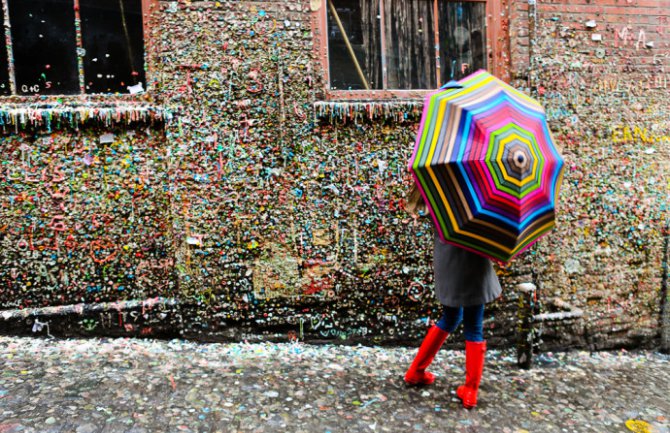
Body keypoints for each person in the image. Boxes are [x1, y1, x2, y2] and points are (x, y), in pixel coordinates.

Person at [403, 183, 502, 409]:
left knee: (450, 317)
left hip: (448, 266)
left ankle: (415, 371)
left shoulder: (436, 193)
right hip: (473, 268)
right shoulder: (474, 197)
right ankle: (470, 392)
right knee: (474, 326)